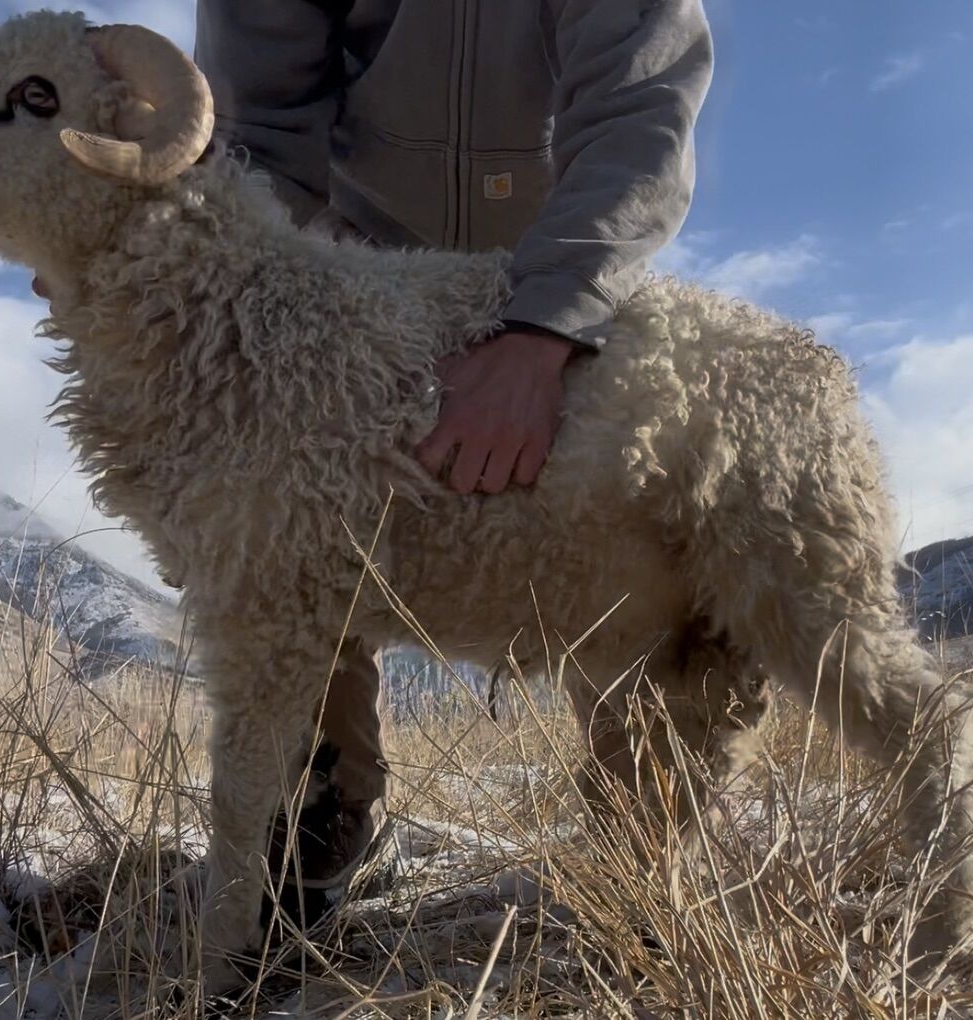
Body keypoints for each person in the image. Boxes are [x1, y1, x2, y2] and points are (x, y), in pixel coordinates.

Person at [195, 0, 713, 924]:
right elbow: (259, 131)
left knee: (617, 536)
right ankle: (319, 823)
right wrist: (192, 266)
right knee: (296, 533)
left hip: (568, 260)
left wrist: (542, 324)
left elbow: (638, 110)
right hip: (352, 278)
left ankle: (640, 855)